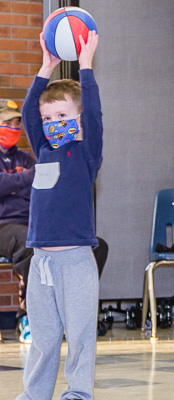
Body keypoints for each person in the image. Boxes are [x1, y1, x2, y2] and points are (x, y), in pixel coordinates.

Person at [16, 31, 101, 400]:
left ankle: (78, 393)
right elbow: (27, 114)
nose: (53, 122)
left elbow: (95, 115)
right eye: (49, 117)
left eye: (63, 115)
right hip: (41, 264)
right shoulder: (44, 151)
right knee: (44, 336)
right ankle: (35, 394)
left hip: (77, 261)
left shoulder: (85, 155)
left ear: (79, 119)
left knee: (80, 332)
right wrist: (45, 68)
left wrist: (85, 68)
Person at [0, 100, 108, 344]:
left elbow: (44, 187)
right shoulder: (32, 164)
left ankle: (73, 312)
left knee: (96, 245)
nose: (14, 128)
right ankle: (28, 316)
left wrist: (17, 182)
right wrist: (26, 179)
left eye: (17, 123)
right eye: (7, 123)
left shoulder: (28, 158)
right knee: (31, 245)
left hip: (33, 222)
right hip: (4, 226)